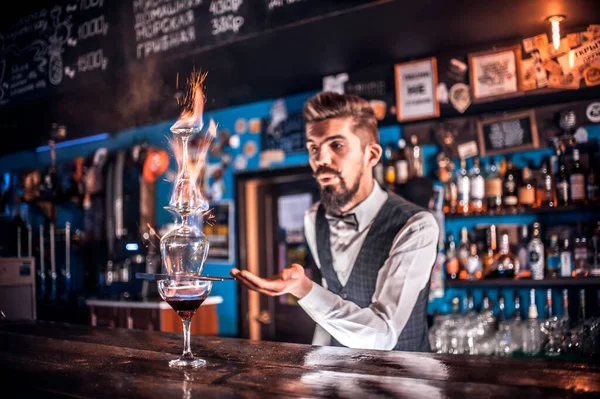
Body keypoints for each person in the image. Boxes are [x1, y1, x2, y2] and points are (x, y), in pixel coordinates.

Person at [231, 92, 439, 351]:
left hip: (404, 383)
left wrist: (304, 289)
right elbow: (331, 304)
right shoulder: (313, 218)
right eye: (313, 148)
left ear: (371, 155)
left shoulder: (416, 226)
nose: (320, 159)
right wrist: (316, 370)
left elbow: (382, 335)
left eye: (336, 145)